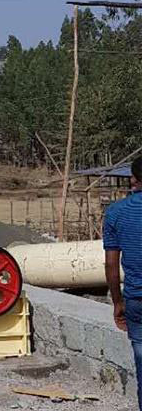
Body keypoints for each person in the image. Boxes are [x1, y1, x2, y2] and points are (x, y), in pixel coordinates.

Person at [103, 155, 142, 411]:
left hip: (136, 299)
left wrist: (118, 302)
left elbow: (111, 265)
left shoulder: (116, 212)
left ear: (133, 179)